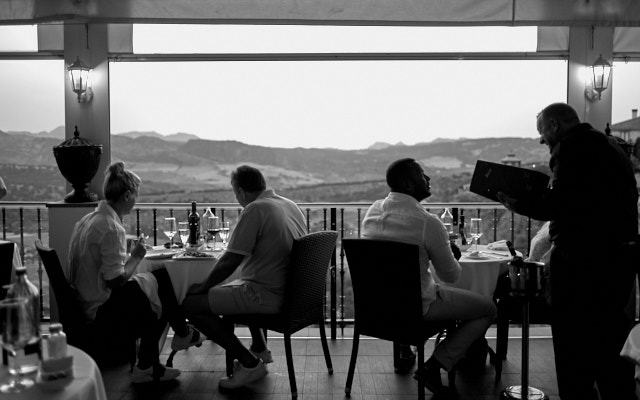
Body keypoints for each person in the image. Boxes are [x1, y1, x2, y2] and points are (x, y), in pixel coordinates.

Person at [497, 103, 639, 400]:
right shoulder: (611, 146)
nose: (544, 142)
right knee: (609, 343)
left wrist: (517, 203)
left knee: (572, 347)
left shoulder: (572, 147)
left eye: (542, 135)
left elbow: (559, 204)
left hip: (582, 262)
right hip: (619, 260)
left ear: (553, 126)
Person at [362, 158, 497, 396]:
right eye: (422, 174)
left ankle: (423, 355)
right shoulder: (427, 222)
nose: (428, 179)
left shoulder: (372, 212)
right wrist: (451, 254)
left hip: (377, 309)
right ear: (408, 183)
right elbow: (451, 276)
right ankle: (434, 365)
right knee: (487, 309)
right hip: (419, 308)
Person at [68, 161, 205, 383]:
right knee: (158, 288)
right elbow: (116, 281)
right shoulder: (111, 227)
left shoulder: (88, 220)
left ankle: (161, 353)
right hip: (100, 310)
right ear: (127, 195)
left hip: (83, 301)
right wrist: (137, 255)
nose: (136, 200)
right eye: (136, 195)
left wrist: (129, 257)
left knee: (158, 282)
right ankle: (171, 344)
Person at [182, 165, 307, 389]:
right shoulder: (290, 205)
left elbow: (230, 260)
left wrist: (202, 286)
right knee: (242, 281)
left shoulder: (255, 209)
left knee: (191, 304)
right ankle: (260, 348)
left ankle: (250, 364)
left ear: (239, 191)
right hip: (293, 293)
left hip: (267, 294)